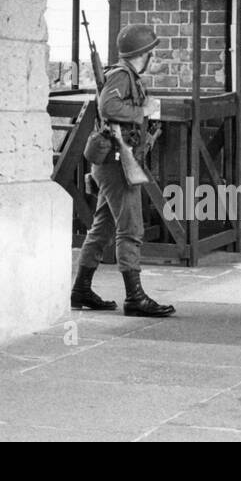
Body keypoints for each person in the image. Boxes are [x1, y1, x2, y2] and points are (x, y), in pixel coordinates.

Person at [70, 23, 175, 318]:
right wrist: (142, 111)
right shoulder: (121, 75)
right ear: (143, 53)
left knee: (103, 227)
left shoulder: (127, 77)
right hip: (118, 162)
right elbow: (108, 106)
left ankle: (81, 289)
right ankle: (135, 297)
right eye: (150, 51)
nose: (152, 56)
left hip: (116, 160)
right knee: (131, 228)